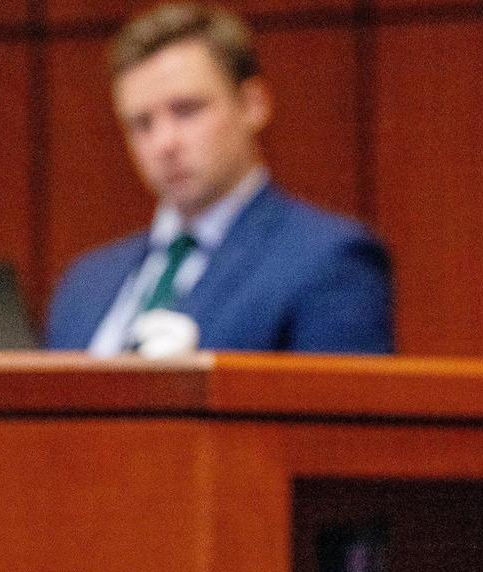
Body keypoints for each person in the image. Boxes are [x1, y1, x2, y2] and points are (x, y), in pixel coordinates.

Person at [45, 3, 392, 355]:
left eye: (187, 110)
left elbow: (341, 406)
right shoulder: (84, 286)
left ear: (251, 104)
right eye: (141, 123)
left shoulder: (328, 261)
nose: (164, 143)